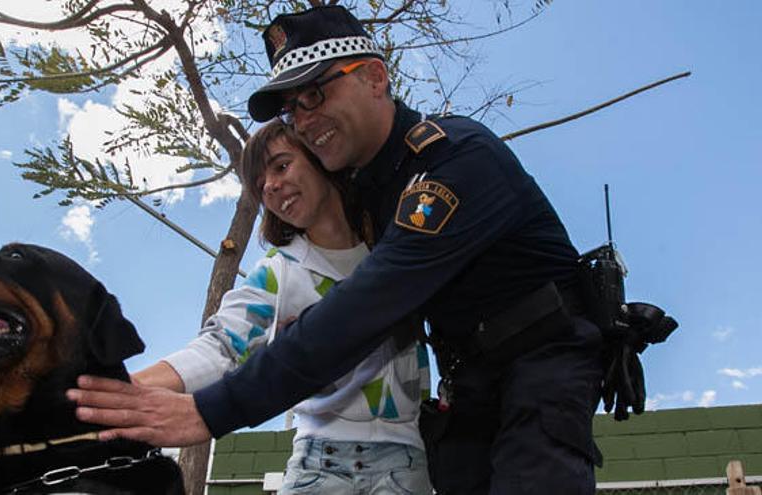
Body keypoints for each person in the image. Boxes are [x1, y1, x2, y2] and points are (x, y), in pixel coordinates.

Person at [70, 5, 603, 494]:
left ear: (375, 76)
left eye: (316, 94)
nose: (304, 119)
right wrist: (118, 394)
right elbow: (225, 343)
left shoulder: (452, 163)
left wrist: (212, 411)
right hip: (464, 390)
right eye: (292, 109)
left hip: (541, 366)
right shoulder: (363, 201)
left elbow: (365, 306)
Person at [129, 119, 433, 494]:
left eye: (281, 166)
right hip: (320, 466)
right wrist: (127, 391)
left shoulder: (397, 248)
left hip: (407, 464)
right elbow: (223, 345)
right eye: (260, 185)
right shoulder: (279, 271)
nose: (270, 186)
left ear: (320, 158)